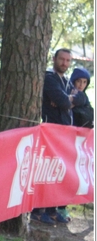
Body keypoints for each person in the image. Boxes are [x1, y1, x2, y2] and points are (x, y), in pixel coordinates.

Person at [34, 49, 75, 224]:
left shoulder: (66, 81)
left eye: (67, 60)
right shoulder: (49, 77)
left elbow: (79, 101)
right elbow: (64, 102)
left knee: (58, 173)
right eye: (62, 59)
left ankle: (52, 210)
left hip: (65, 135)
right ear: (54, 59)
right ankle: (37, 211)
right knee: (45, 172)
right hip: (50, 133)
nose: (64, 63)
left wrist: (68, 100)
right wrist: (66, 101)